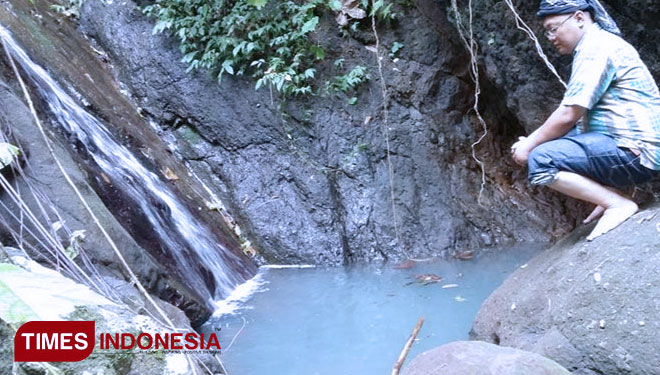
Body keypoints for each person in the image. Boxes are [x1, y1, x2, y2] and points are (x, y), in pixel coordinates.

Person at [511, 0, 660, 241]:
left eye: (553, 28)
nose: (550, 37)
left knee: (541, 159)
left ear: (580, 18)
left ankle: (617, 204)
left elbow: (569, 113)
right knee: (549, 144)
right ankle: (611, 194)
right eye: (546, 31)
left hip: (635, 152)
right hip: (633, 147)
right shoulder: (598, 45)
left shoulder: (597, 48)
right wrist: (532, 140)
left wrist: (528, 146)